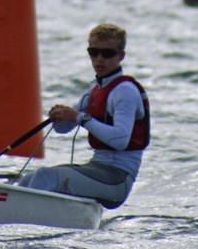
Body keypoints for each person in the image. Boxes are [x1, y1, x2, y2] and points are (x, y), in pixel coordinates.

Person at [18, 22, 149, 209]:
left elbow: (120, 140)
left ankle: (22, 218)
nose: (99, 59)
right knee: (29, 178)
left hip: (117, 179)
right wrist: (60, 116)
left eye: (107, 53)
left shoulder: (125, 91)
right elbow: (62, 129)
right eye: (94, 52)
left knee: (45, 176)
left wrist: (79, 117)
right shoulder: (95, 89)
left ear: (121, 56)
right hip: (97, 167)